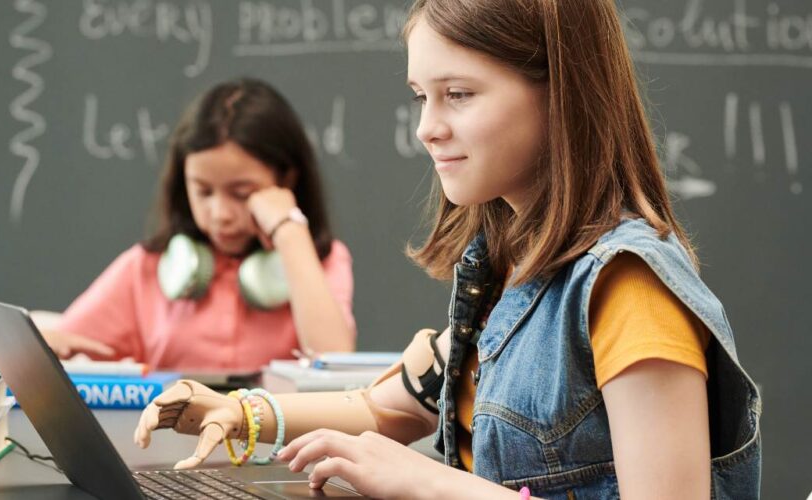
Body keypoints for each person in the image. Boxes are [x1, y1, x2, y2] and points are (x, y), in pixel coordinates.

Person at [132, 1, 761, 498]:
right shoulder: (503, 267)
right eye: (420, 96)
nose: (427, 126)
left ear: (561, 92)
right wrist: (239, 412)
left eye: (457, 94)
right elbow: (382, 410)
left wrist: (429, 483)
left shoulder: (629, 287)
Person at [38, 78, 357, 371]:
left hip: (281, 435)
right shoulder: (146, 268)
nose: (220, 213)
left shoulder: (324, 261)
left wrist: (289, 231)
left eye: (242, 193)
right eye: (203, 191)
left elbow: (334, 364)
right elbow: (59, 343)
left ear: (286, 179)